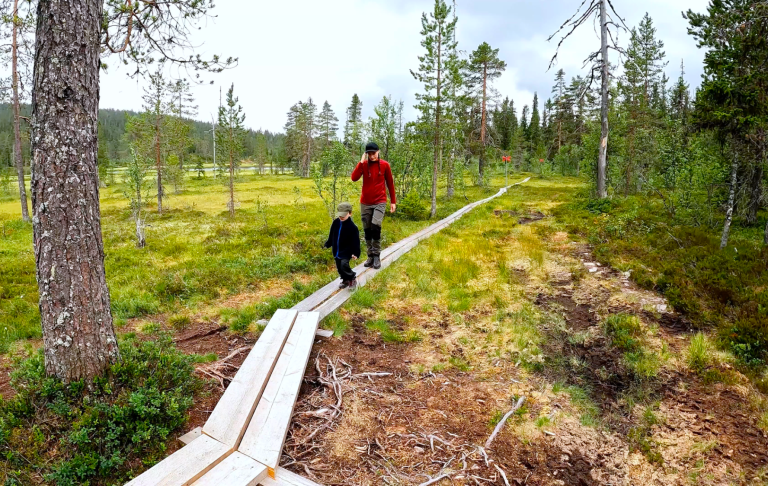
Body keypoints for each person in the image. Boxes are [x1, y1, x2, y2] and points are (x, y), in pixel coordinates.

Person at [351, 142, 396, 269]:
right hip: (365, 202)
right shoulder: (364, 165)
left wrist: (393, 201)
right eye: (369, 154)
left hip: (380, 201)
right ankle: (370, 256)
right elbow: (354, 178)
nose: (372, 156)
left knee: (376, 226)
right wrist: (360, 162)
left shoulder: (385, 165)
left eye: (374, 153)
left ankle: (376, 255)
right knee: (367, 229)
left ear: (378, 151)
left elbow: (390, 183)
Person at [324, 202, 361, 289]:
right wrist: (328, 243)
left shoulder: (352, 227)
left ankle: (352, 278)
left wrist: (355, 253)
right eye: (340, 215)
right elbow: (331, 235)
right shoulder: (335, 223)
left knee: (344, 265)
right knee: (339, 268)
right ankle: (345, 279)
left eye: (344, 215)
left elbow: (356, 241)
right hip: (336, 250)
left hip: (346, 251)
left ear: (350, 213)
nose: (341, 217)